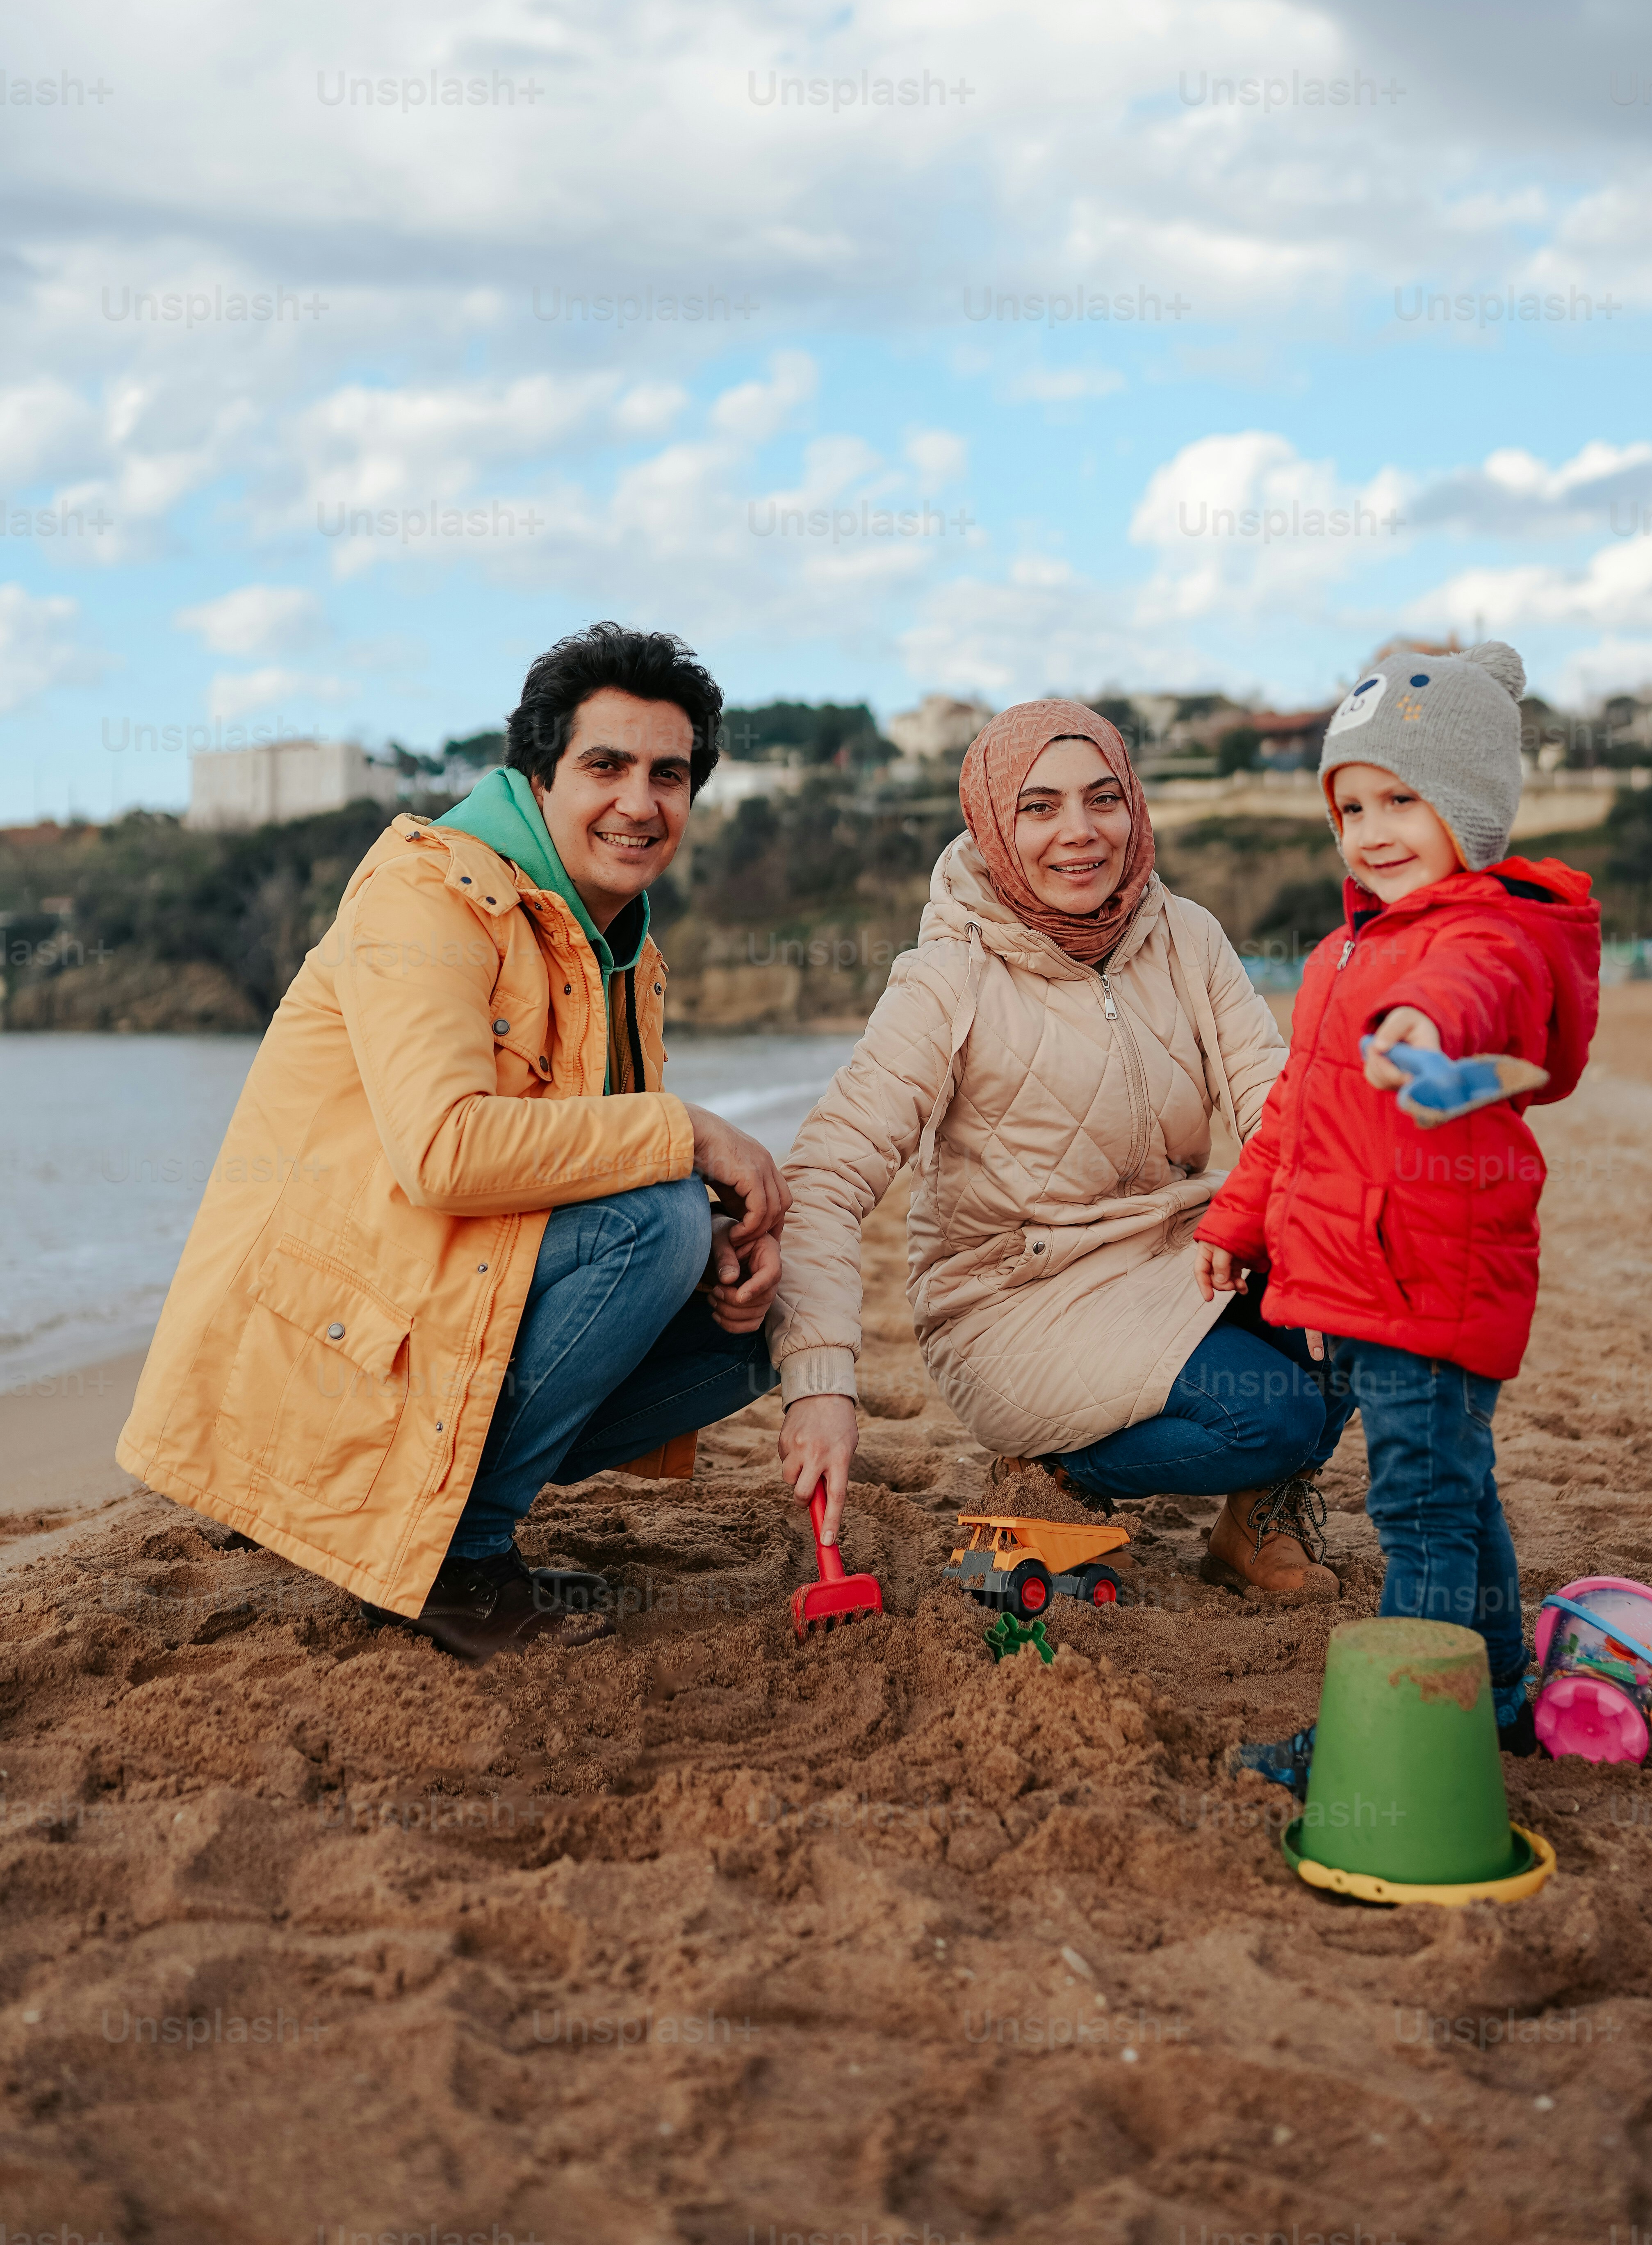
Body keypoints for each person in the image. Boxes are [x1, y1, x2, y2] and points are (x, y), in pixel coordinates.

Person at [116, 624, 841, 1663]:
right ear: (537, 777)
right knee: (661, 1217)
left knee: (768, 1293)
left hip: (448, 1307)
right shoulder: (428, 897)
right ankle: (455, 1556)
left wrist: (724, 1258)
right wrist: (685, 1133)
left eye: (668, 775)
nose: (639, 802)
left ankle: (425, 1514)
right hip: (329, 1357)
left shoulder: (620, 954)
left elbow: (576, 1167)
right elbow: (447, 1152)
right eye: (605, 766)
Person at [774, 699, 1340, 1601]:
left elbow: (1282, 1113)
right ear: (995, 823)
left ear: (1135, 807)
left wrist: (1332, 1229)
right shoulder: (946, 975)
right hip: (1013, 1302)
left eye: (1101, 799)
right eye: (1038, 807)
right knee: (1276, 1414)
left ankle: (1253, 1523)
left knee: (1370, 1280)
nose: (1078, 834)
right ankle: (1059, 1481)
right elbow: (825, 1178)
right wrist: (818, 1382)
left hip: (1172, 1260)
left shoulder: (1184, 935)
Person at [1191, 641, 1601, 1742]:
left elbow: (1466, 994)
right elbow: (1293, 1111)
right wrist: (1238, 1217)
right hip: (1365, 1285)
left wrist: (1420, 1032)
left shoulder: (1488, 934)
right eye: (1352, 806)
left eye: (1402, 802)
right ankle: (1504, 1692)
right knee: (1455, 1492)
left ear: (1469, 808)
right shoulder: (1340, 953)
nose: (1371, 831)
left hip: (1433, 1284)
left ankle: (1406, 1745)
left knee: (1418, 1512)